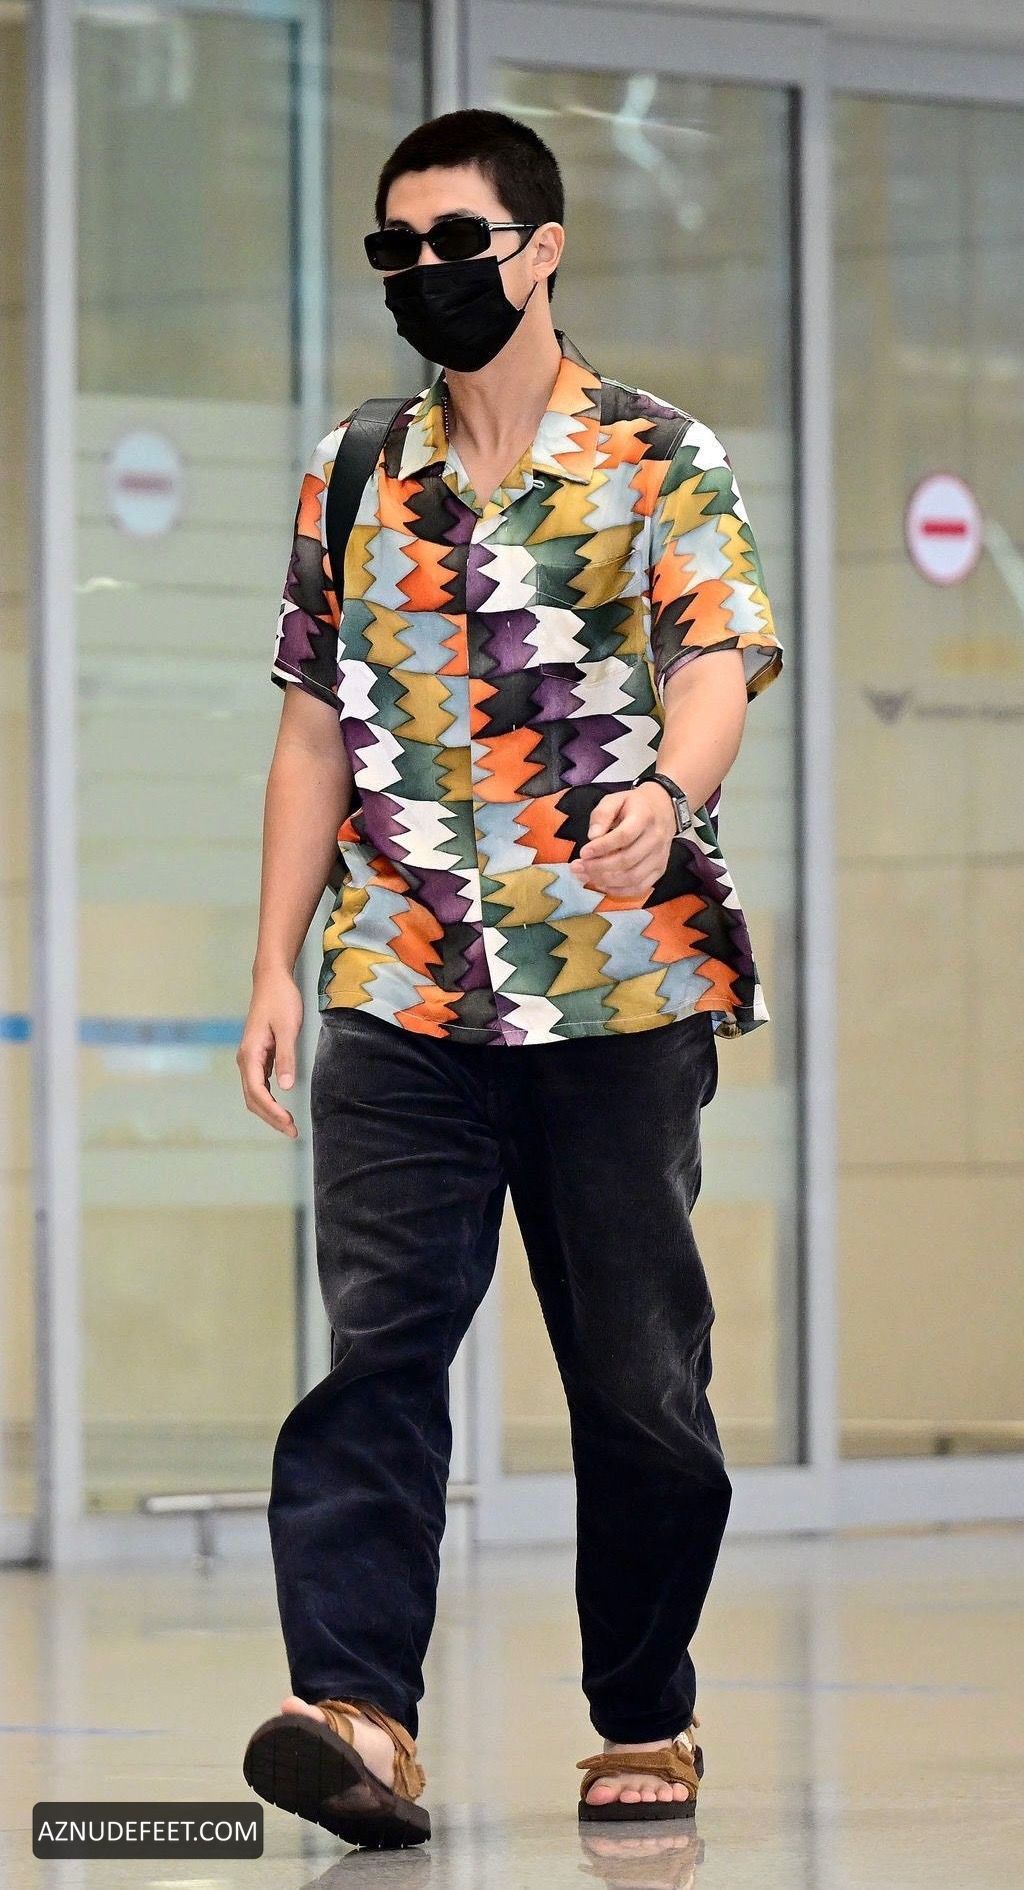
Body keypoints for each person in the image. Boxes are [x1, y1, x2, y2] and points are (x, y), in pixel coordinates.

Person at [239, 107, 784, 1850]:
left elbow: (718, 656)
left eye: (455, 242)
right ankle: (358, 1712)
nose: (425, 272)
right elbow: (315, 726)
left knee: (637, 1380)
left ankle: (644, 1711)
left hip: (615, 994)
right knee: (378, 1355)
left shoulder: (655, 455)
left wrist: (668, 793)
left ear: (540, 251)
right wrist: (273, 962)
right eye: (396, 248)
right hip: (398, 988)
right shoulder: (353, 469)